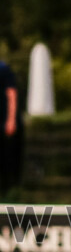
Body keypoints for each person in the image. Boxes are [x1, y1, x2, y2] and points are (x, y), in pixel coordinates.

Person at [0, 59, 22, 196]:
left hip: (4, 123)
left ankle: (9, 192)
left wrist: (11, 120)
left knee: (7, 159)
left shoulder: (3, 68)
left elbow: (11, 94)